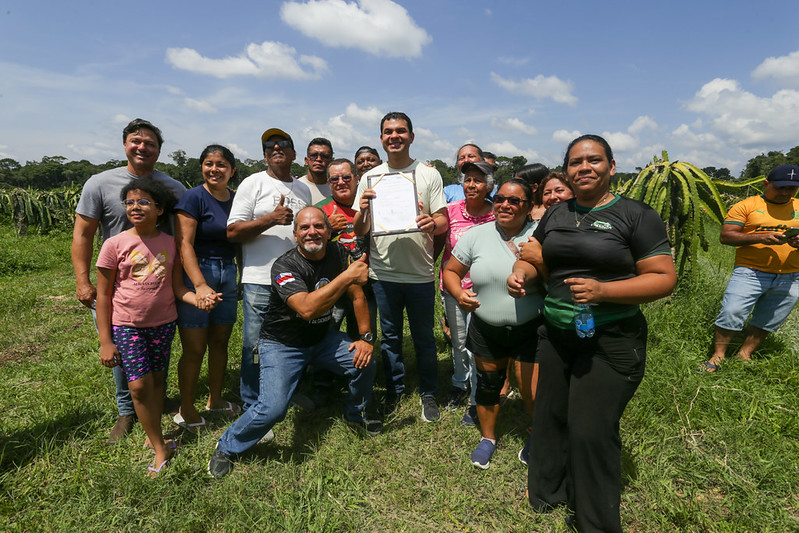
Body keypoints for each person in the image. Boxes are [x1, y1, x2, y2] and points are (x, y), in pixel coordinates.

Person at [509, 135, 676, 532]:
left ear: (611, 166)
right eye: (575, 162)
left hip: (611, 338)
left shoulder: (636, 215)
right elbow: (534, 258)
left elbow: (664, 278)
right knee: (550, 416)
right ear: (566, 169)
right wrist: (521, 275)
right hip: (556, 334)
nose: (584, 167)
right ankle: (547, 493)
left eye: (593, 160)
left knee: (590, 429)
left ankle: (595, 521)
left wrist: (605, 291)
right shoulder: (557, 213)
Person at [207, 207, 380, 478]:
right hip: (282, 345)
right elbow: (307, 310)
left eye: (319, 226)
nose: (312, 232)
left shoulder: (339, 254)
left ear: (329, 230)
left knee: (364, 360)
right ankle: (227, 446)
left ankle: (355, 414)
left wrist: (366, 338)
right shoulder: (285, 266)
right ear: (295, 234)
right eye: (305, 228)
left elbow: (357, 297)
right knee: (273, 408)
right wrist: (347, 276)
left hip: (322, 339)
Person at [71, 118, 185, 444]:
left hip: (158, 282)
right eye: (136, 141)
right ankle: (126, 409)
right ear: (125, 145)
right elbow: (83, 233)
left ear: (159, 151)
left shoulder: (173, 188)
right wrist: (82, 281)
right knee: (120, 349)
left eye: (150, 143)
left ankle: (154, 400)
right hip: (115, 285)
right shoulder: (100, 183)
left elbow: (184, 235)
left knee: (154, 347)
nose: (142, 147)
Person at [96, 179, 217, 475]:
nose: (135, 207)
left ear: (160, 209)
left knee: (158, 383)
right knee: (138, 386)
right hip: (127, 325)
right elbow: (103, 295)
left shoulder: (169, 244)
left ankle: (156, 437)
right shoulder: (114, 244)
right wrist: (105, 340)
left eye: (144, 202)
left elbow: (177, 288)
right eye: (130, 203)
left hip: (163, 324)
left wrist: (198, 298)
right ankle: (160, 447)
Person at [353, 111, 449, 422]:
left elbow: (443, 220)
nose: (394, 136)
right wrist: (363, 210)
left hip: (420, 274)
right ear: (381, 138)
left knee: (424, 337)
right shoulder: (370, 177)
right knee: (391, 338)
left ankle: (429, 393)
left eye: (401, 131)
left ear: (411, 136)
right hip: (383, 274)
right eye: (388, 132)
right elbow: (360, 230)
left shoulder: (428, 174)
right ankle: (394, 391)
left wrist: (430, 222)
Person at [444, 178, 543, 468]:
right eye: (500, 199)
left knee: (534, 390)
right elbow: (451, 270)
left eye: (515, 201)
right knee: (488, 385)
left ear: (529, 207)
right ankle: (488, 438)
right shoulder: (477, 235)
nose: (505, 205)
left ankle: (537, 433)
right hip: (487, 327)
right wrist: (459, 293)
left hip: (530, 328)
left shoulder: (541, 235)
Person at [227, 127, 312, 411]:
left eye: (283, 144)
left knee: (293, 340)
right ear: (264, 156)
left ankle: (288, 392)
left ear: (293, 154)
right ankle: (252, 400)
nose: (277, 148)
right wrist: (271, 219)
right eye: (270, 146)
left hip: (296, 282)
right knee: (255, 344)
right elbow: (233, 231)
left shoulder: (302, 189)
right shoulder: (253, 184)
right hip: (261, 279)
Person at [701, 164, 799, 372]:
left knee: (770, 317)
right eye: (780, 187)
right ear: (766, 184)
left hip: (791, 275)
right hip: (750, 271)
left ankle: (744, 353)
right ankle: (718, 355)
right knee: (732, 311)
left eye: (791, 189)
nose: (785, 193)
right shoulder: (746, 205)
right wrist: (760, 237)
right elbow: (726, 236)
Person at [173, 145, 240, 430]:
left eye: (221, 164)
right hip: (198, 271)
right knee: (195, 347)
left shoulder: (236, 200)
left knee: (220, 341)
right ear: (201, 167)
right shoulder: (193, 197)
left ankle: (215, 399)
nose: (215, 169)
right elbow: (183, 243)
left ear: (232, 171)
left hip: (228, 272)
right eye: (209, 163)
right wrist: (199, 285)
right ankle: (186, 407)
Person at [438, 161, 495, 426]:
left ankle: (476, 399)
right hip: (452, 286)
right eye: (468, 179)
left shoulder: (497, 213)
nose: (471, 185)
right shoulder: (450, 211)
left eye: (478, 180)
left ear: (489, 185)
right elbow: (436, 236)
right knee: (458, 341)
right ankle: (459, 383)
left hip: (484, 290)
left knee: (476, 348)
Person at [318, 158, 377, 338]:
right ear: (328, 183)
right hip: (332, 286)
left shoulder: (371, 205)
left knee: (365, 335)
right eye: (334, 179)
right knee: (326, 335)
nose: (341, 182)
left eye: (346, 177)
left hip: (365, 285)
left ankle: (362, 365)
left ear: (356, 178)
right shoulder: (320, 210)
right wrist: (329, 227)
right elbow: (306, 247)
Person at [298, 137, 334, 204]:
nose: (319, 159)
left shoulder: (337, 188)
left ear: (331, 161)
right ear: (306, 160)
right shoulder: (296, 187)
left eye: (324, 156)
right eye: (313, 155)